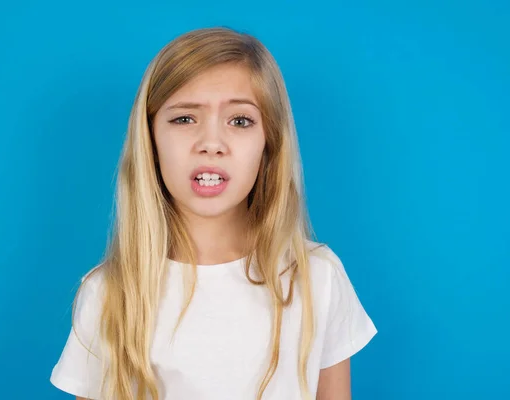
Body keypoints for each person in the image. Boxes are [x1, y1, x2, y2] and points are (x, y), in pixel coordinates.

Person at [49, 27, 377, 400]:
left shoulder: (318, 278)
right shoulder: (110, 294)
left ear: (268, 143)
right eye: (185, 119)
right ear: (151, 140)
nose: (211, 144)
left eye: (239, 121)